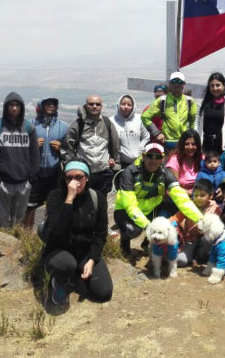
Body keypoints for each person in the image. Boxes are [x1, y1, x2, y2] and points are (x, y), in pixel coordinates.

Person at [42, 160, 112, 306]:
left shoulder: (97, 198)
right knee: (66, 264)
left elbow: (100, 233)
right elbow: (56, 232)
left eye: (79, 177)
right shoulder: (56, 197)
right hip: (59, 250)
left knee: (103, 293)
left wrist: (92, 259)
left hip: (85, 251)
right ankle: (59, 281)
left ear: (87, 178)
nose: (74, 182)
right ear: (64, 179)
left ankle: (76, 274)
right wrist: (69, 200)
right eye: (69, 177)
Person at [114, 143, 202, 255]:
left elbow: (182, 199)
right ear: (143, 156)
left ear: (163, 159)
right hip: (125, 211)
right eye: (150, 156)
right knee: (133, 231)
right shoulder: (130, 172)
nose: (153, 160)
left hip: (150, 209)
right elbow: (130, 205)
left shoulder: (166, 174)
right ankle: (124, 245)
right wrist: (147, 226)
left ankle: (148, 243)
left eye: (158, 157)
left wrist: (200, 219)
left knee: (168, 210)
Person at [0, 92, 39, 228]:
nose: (14, 108)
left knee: (19, 221)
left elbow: (34, 155)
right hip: (3, 183)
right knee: (3, 222)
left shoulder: (28, 128)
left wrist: (31, 180)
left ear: (21, 108)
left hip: (23, 183)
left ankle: (17, 248)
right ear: (6, 107)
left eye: (17, 105)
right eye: (11, 105)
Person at [24, 97, 68, 230]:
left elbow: (69, 150)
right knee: (29, 208)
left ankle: (49, 235)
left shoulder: (63, 126)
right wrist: (32, 146)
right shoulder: (30, 125)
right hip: (34, 175)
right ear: (40, 107)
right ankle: (26, 239)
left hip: (54, 174)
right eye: (47, 104)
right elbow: (20, 149)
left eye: (53, 104)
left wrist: (60, 148)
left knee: (52, 207)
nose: (50, 106)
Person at [64, 95, 119, 195]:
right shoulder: (78, 124)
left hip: (104, 172)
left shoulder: (107, 123)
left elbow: (115, 144)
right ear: (85, 106)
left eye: (97, 104)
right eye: (91, 104)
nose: (94, 106)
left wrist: (112, 160)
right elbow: (69, 146)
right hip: (84, 172)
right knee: (84, 202)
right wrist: (70, 167)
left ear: (101, 107)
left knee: (102, 201)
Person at [141, 71, 197, 152]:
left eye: (179, 82)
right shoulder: (162, 100)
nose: (176, 84)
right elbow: (145, 116)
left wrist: (192, 139)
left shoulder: (190, 101)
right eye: (174, 82)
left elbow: (193, 122)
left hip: (184, 143)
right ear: (170, 84)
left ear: (184, 84)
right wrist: (157, 133)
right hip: (167, 144)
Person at [173, 179, 221, 267]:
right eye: (196, 195)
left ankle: (199, 259)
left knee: (208, 238)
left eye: (202, 195)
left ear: (210, 196)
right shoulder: (188, 206)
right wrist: (170, 224)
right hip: (189, 239)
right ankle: (189, 254)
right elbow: (175, 218)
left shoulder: (215, 208)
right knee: (181, 261)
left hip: (205, 239)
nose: (198, 198)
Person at [196, 72, 225, 152]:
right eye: (212, 86)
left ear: (223, 86)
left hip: (223, 147)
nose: (215, 88)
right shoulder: (202, 103)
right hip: (205, 146)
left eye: (218, 85)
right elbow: (196, 123)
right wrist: (196, 140)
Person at [111, 94, 150, 169]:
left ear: (133, 106)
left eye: (129, 105)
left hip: (139, 161)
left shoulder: (139, 119)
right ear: (118, 105)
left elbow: (146, 137)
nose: (126, 107)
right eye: (123, 104)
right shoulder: (112, 121)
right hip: (120, 163)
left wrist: (140, 148)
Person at [165, 129, 203, 195]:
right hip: (182, 197)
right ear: (182, 145)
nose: (190, 147)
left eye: (193, 144)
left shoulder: (202, 158)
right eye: (187, 144)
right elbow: (173, 187)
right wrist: (189, 193)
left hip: (202, 196)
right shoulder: (174, 160)